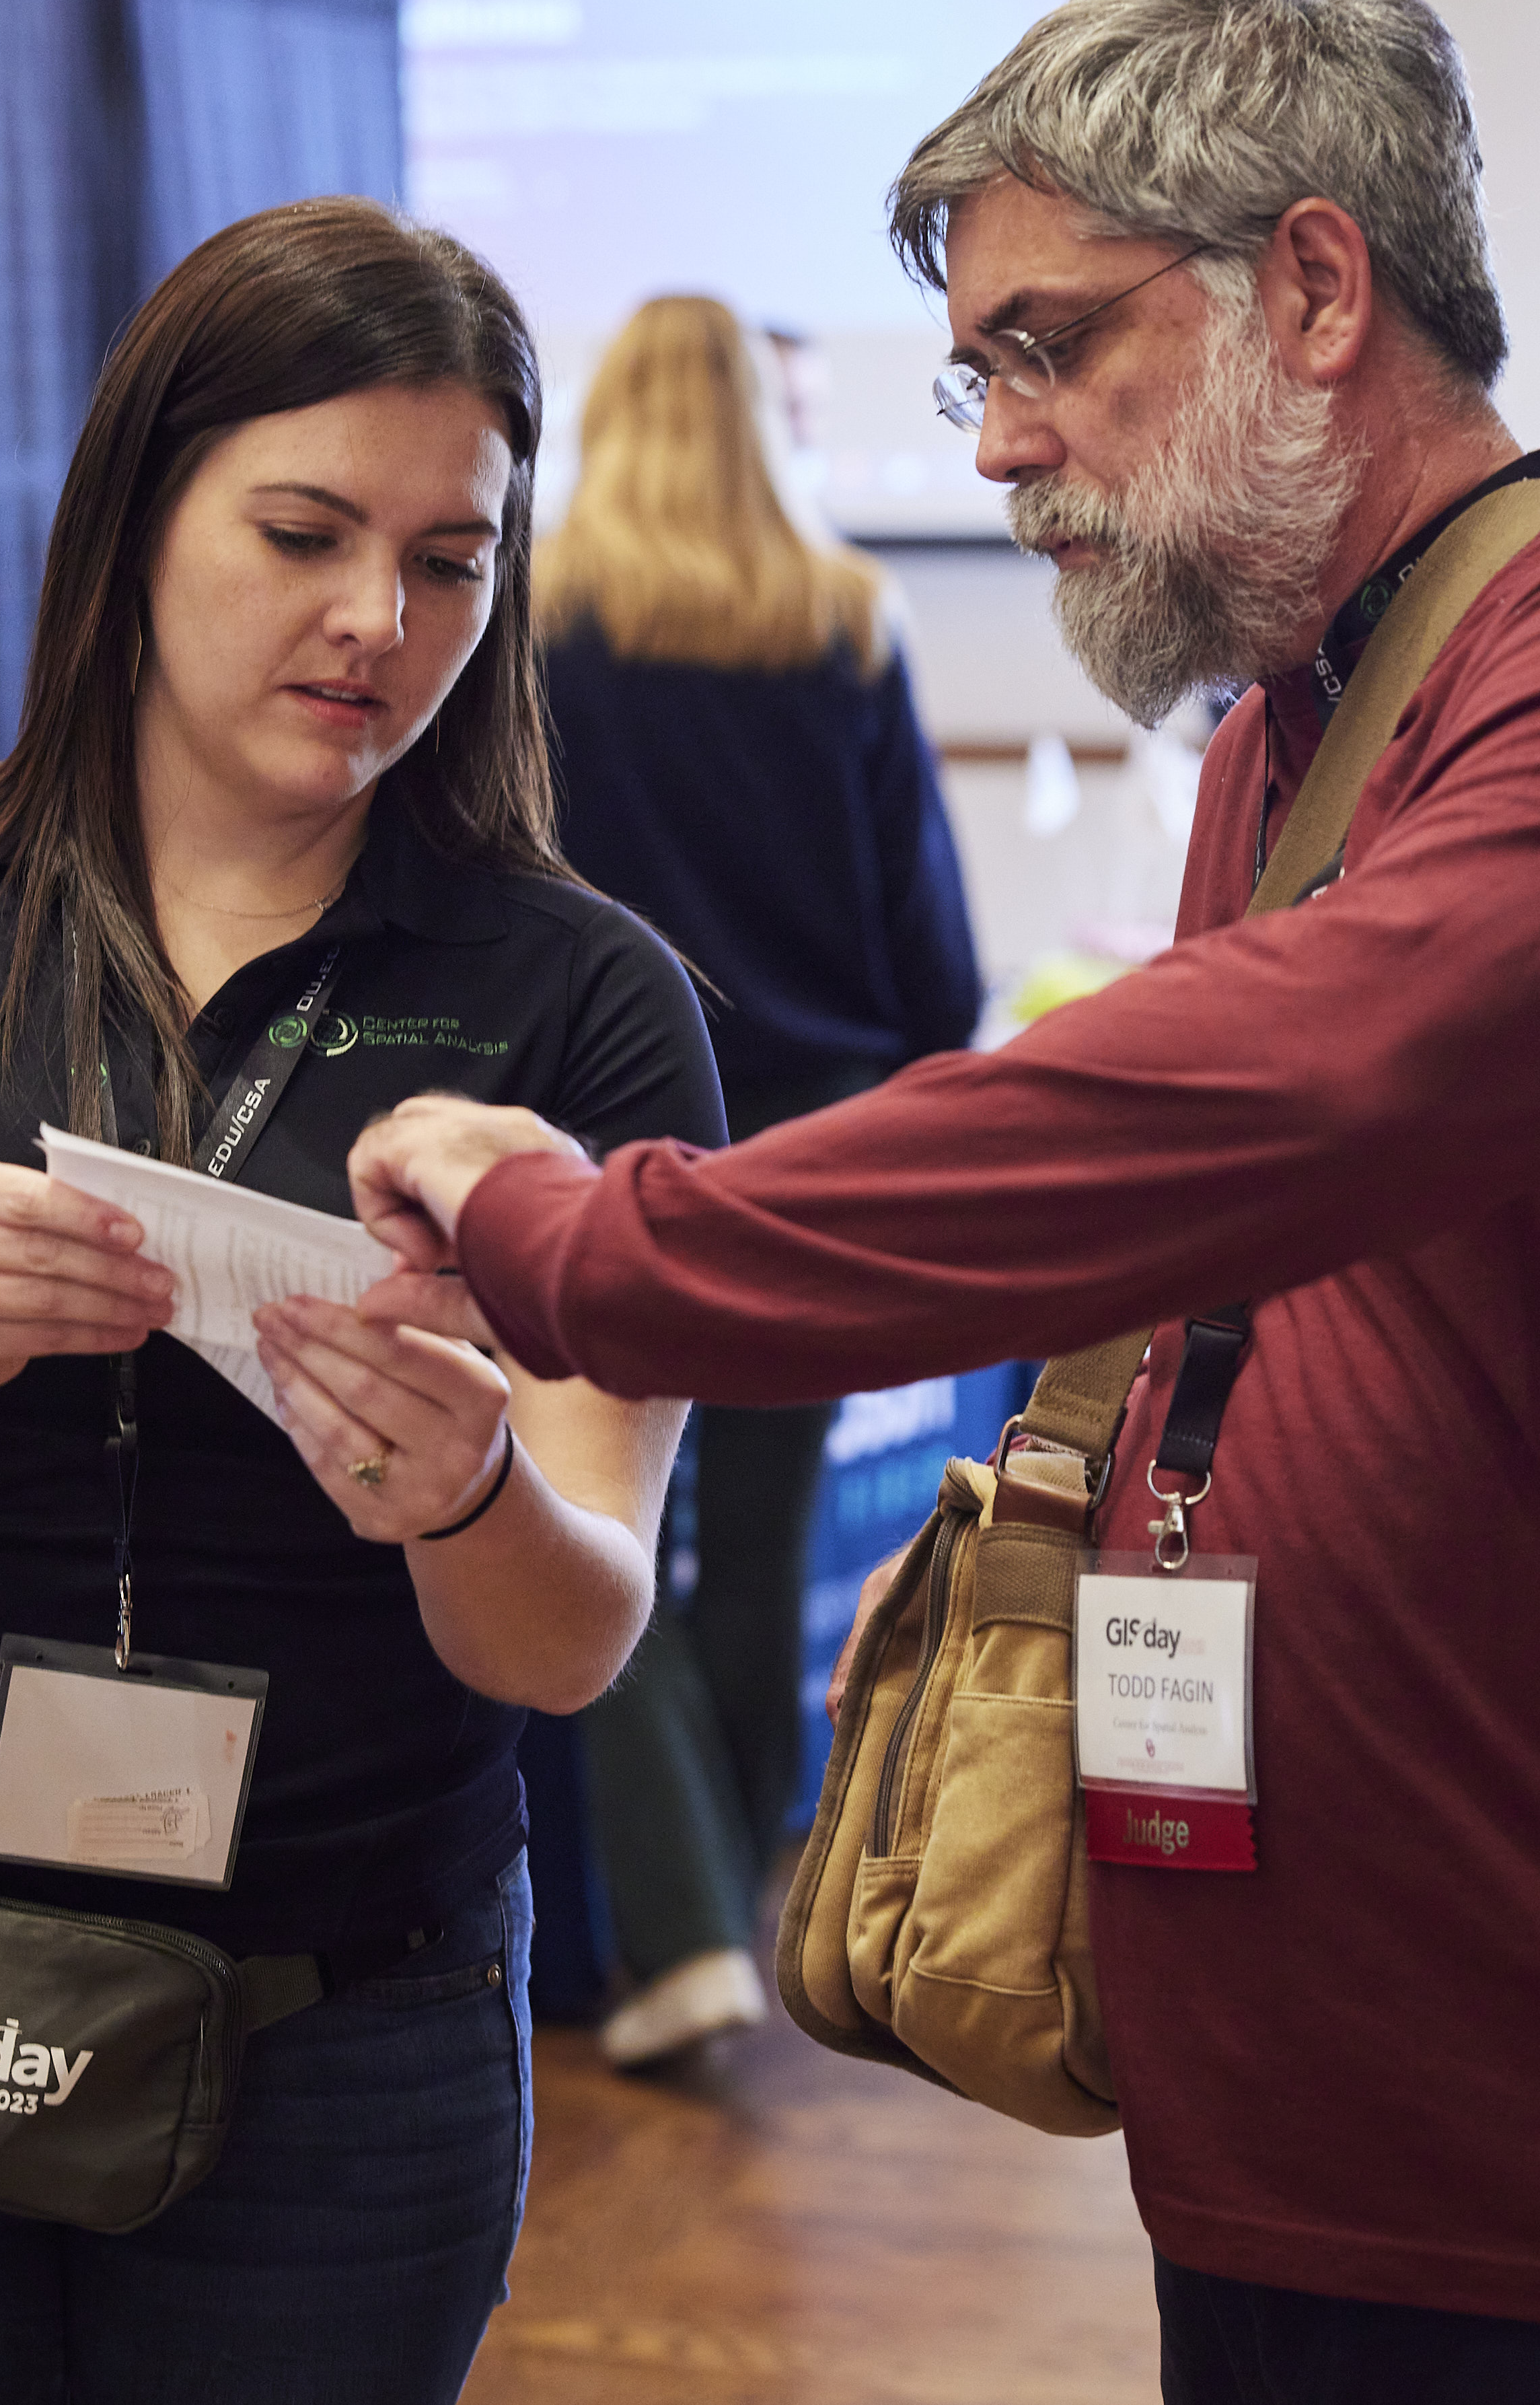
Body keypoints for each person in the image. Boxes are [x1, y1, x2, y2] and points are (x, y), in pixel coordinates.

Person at [351, 0, 1540, 2402]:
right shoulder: (1293, 725)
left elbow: (1256, 1098)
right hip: (1312, 2128)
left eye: (1045, 346)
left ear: (1312, 289)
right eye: (972, 371)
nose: (1001, 444)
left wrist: (587, 1244)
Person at [0, 196, 722, 2403]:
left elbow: (571, 1627)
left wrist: (463, 1483)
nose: (371, 619)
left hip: (340, 2016)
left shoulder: (583, 1001)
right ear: (134, 516)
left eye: (447, 560)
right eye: (303, 528)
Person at [532, 292, 982, 2066]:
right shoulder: (845, 619)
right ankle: (732, 1909)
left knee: (600, 1511)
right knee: (763, 1542)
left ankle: (683, 1918)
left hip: (603, 1137)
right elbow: (929, 947)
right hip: (816, 1145)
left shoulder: (542, 620)